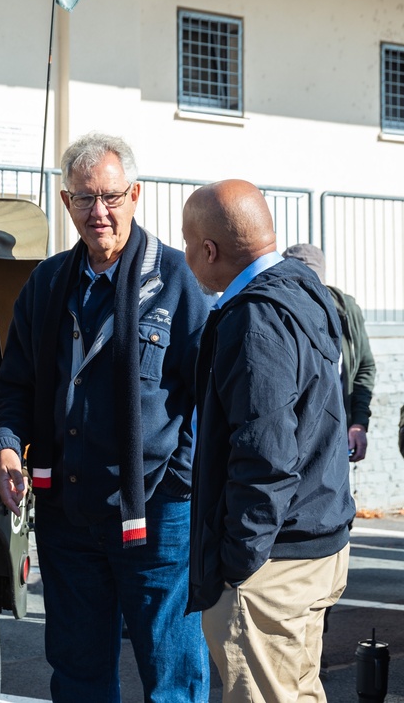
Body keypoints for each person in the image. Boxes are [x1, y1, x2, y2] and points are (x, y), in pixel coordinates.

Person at [0, 132, 212, 702]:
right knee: (78, 673)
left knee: (173, 679)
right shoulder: (45, 285)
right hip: (68, 515)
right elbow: (15, 384)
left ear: (135, 195)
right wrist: (8, 448)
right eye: (84, 198)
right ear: (66, 204)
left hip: (157, 519)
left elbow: (208, 397)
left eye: (111, 196)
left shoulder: (178, 281)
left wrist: (178, 479)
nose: (99, 212)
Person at [182, 179, 356, 702]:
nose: (185, 255)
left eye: (188, 243)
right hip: (312, 546)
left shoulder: (256, 317)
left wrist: (239, 563)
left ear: (210, 250)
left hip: (273, 565)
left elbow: (266, 456)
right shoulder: (301, 290)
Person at [283, 243, 375, 462]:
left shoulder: (346, 309)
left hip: (337, 441)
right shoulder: (277, 312)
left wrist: (358, 423)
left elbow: (364, 366)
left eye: (311, 282)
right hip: (292, 444)